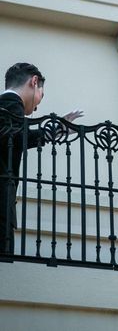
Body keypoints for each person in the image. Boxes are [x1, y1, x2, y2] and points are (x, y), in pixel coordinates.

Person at [0, 63, 83, 255]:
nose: (37, 108)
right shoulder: (11, 104)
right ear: (34, 82)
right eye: (41, 95)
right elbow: (12, 137)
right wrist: (53, 131)